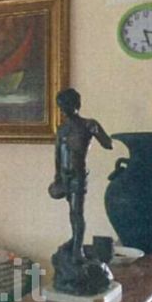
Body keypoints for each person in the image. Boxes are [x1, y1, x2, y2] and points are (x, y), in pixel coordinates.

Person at [49, 88, 112, 262]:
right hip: (65, 176)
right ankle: (75, 241)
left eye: (65, 105)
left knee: (77, 212)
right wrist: (57, 177)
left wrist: (97, 131)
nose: (63, 110)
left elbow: (108, 144)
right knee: (72, 213)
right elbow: (58, 154)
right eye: (60, 107)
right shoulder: (62, 129)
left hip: (78, 175)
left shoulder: (88, 125)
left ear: (76, 105)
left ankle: (77, 250)